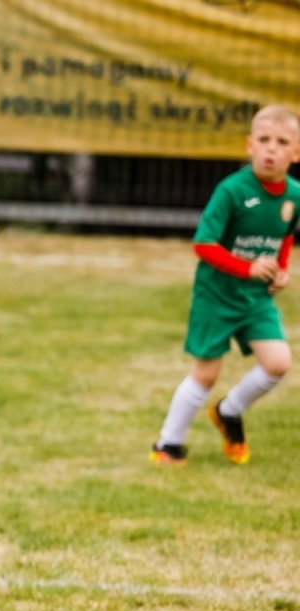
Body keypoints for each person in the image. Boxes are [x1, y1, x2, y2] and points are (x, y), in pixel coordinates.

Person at [152, 104, 299, 465]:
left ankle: (229, 412)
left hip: (255, 299)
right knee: (206, 373)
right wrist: (246, 268)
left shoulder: (294, 194)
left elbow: (283, 235)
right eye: (263, 140)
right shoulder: (232, 190)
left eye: (282, 142)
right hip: (216, 296)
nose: (271, 149)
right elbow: (203, 243)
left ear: (296, 152)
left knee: (279, 363)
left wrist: (281, 268)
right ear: (249, 145)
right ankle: (168, 444)